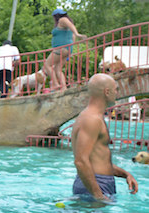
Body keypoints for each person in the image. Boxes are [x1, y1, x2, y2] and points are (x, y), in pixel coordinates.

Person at [71, 73, 138, 201]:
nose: (117, 93)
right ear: (107, 92)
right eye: (115, 89)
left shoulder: (93, 117)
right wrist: (98, 195)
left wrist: (126, 174)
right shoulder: (91, 119)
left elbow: (98, 161)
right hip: (95, 186)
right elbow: (81, 161)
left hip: (98, 184)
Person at [43, 9, 86, 92]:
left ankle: (55, 84)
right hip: (66, 49)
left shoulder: (62, 20)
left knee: (47, 65)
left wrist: (78, 34)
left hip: (61, 48)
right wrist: (70, 51)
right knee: (58, 69)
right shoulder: (67, 25)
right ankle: (63, 87)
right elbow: (73, 37)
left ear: (56, 16)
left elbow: (71, 27)